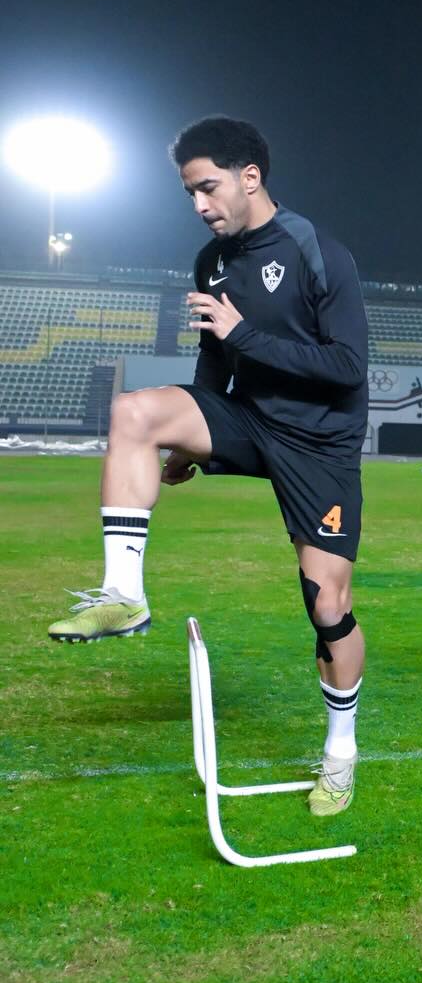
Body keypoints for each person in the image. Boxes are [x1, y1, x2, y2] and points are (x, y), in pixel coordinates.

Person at [47, 116, 370, 817]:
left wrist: (244, 334)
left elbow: (348, 367)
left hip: (319, 443)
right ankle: (123, 594)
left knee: (328, 605)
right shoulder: (210, 262)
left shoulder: (318, 252)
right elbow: (214, 360)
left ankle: (341, 753)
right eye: (189, 192)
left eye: (208, 187)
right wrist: (187, 440)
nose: (198, 204)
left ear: (249, 177)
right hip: (247, 420)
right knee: (135, 413)